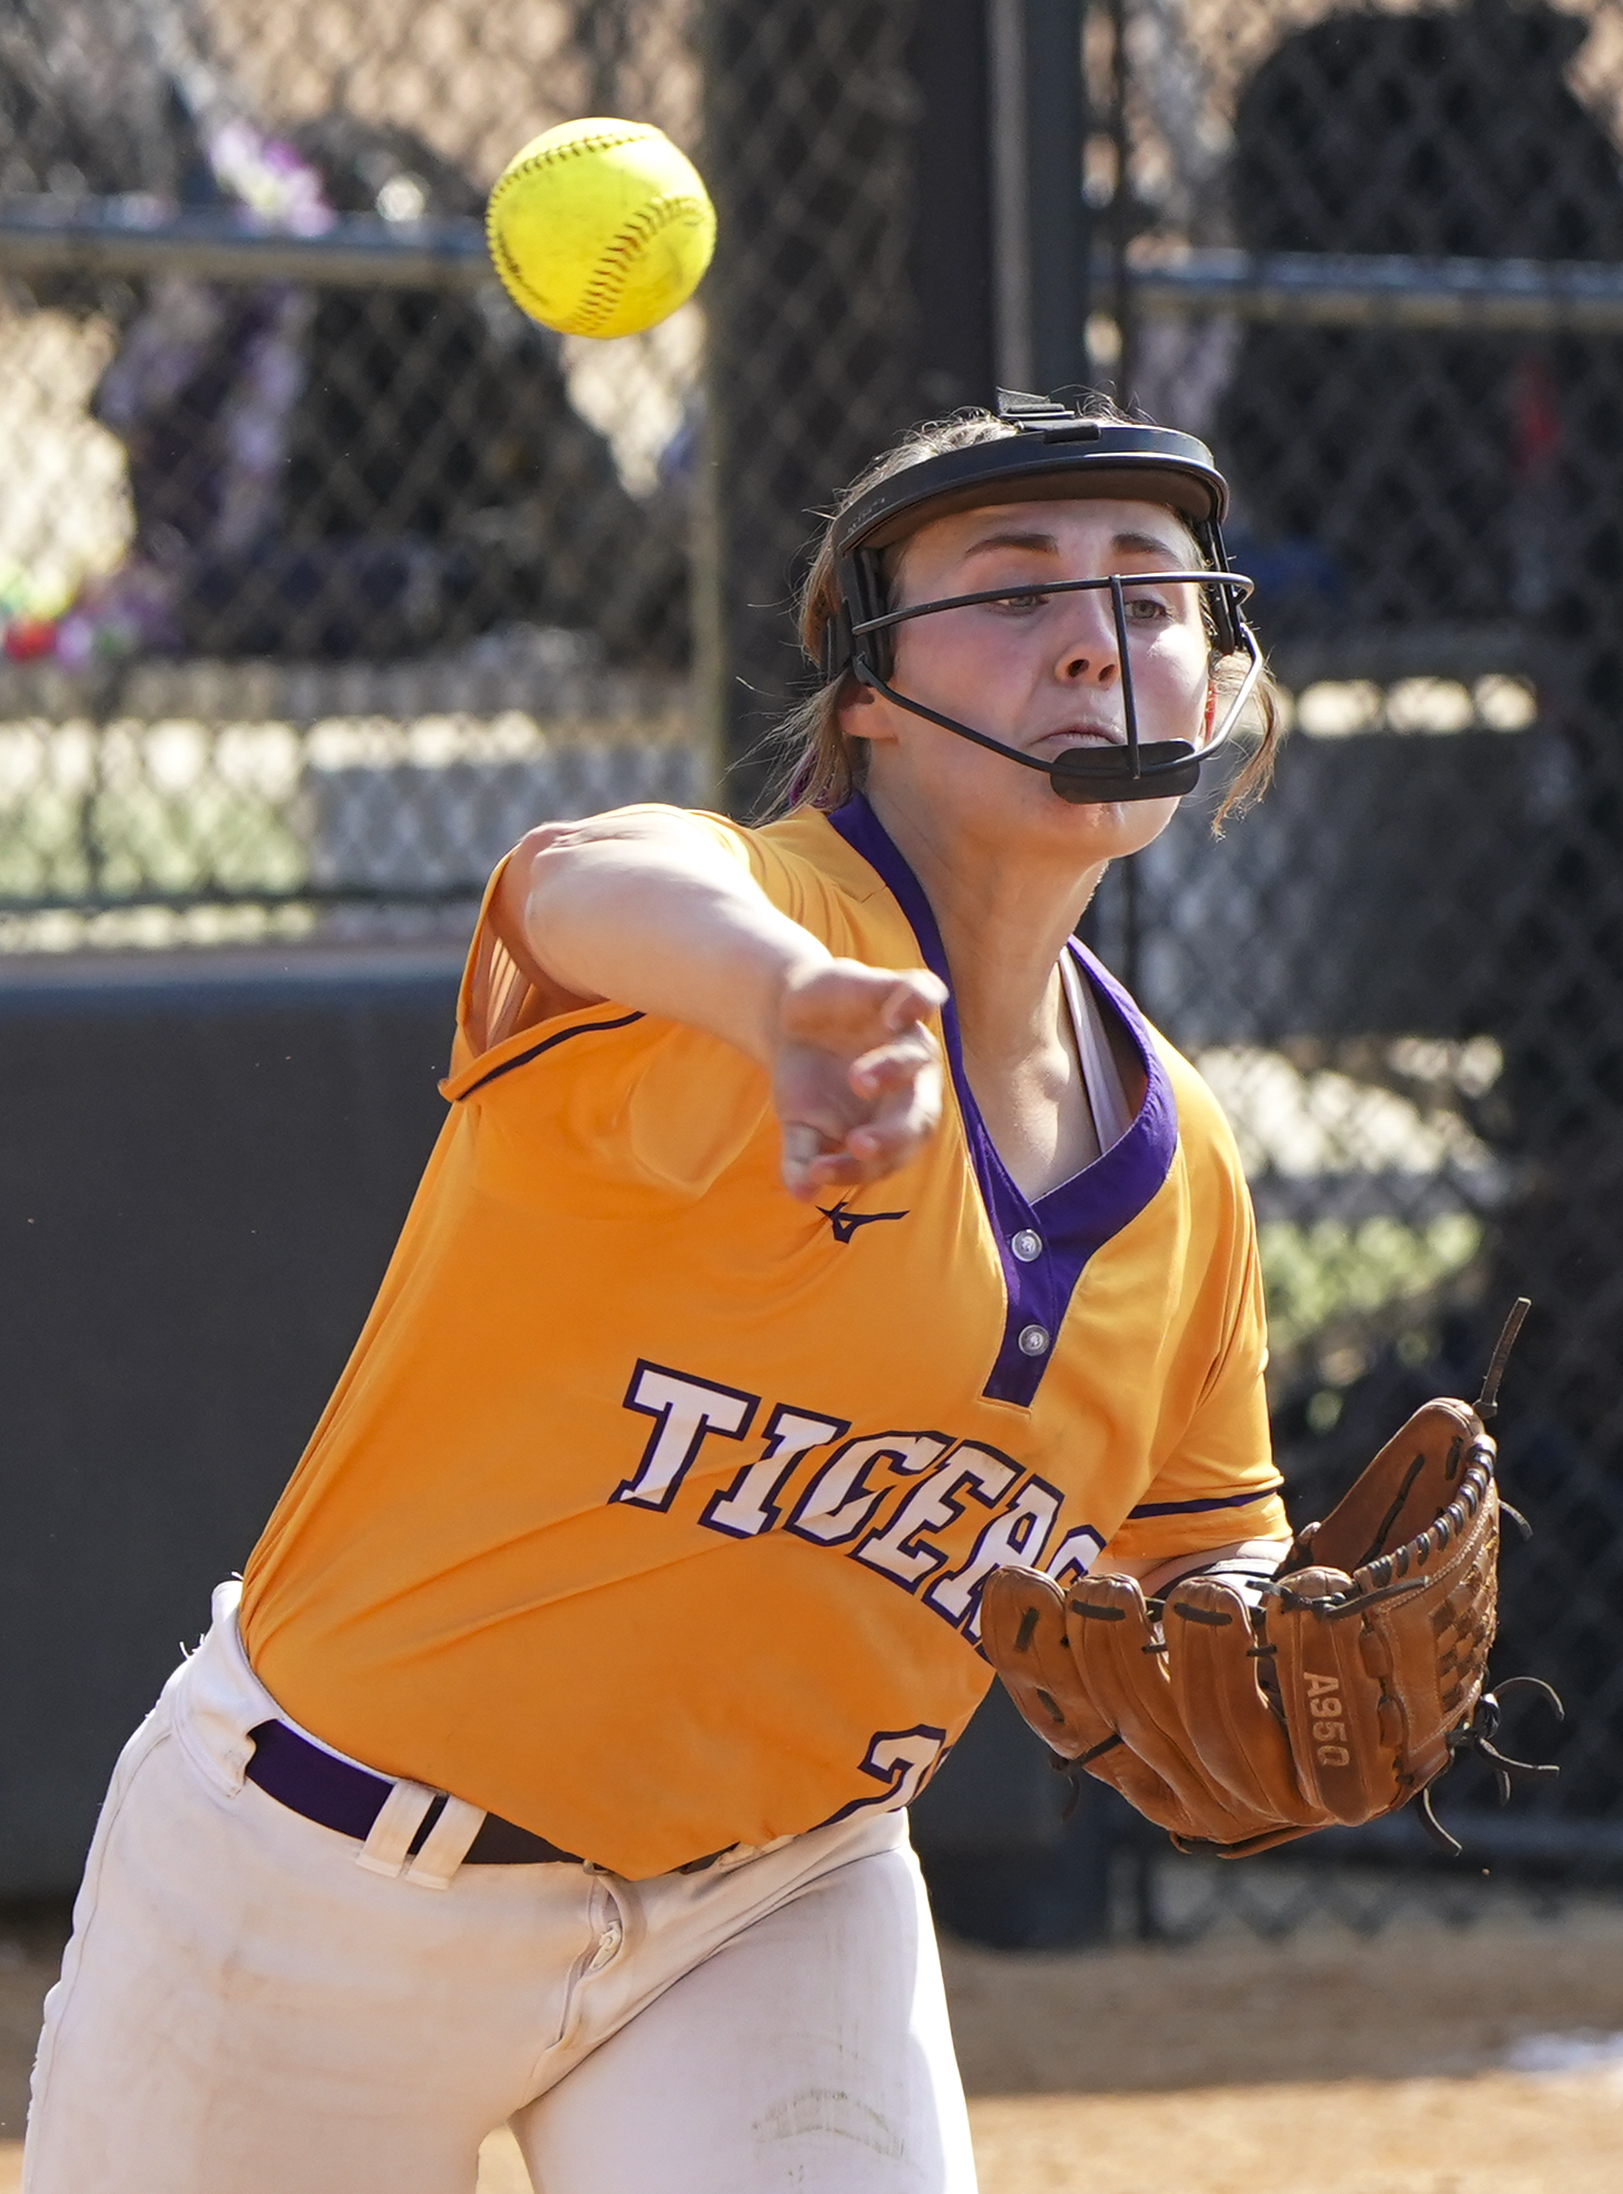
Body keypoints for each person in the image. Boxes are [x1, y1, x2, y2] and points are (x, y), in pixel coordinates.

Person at [23, 391, 1292, 2194]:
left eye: (1149, 597)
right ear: (866, 681)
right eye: (1015, 589)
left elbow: (1200, 1559)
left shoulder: (1188, 1173)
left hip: (775, 1895)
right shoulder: (737, 949)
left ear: (1215, 677)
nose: (1092, 639)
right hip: (322, 1880)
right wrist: (777, 1002)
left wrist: (1260, 1642)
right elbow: (581, 881)